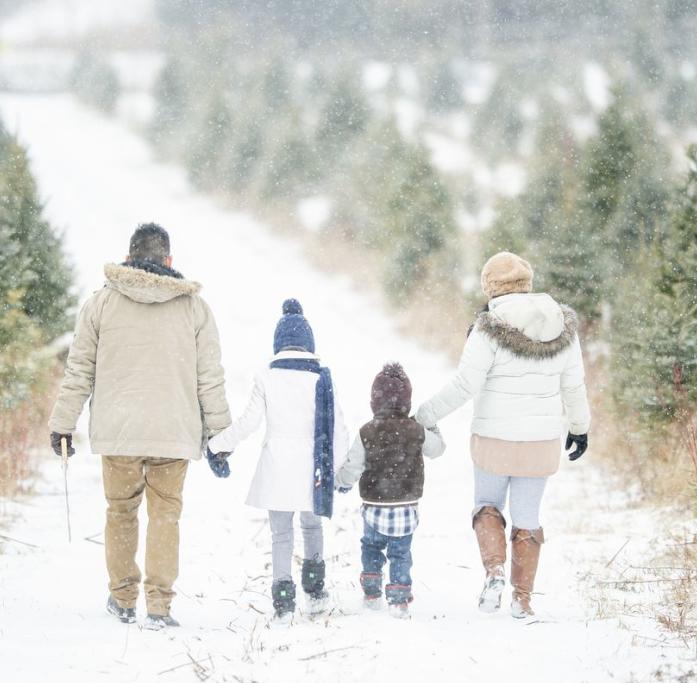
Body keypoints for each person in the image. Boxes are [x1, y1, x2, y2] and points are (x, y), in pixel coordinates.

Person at [48, 222, 230, 631]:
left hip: (120, 431)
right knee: (166, 516)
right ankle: (160, 606)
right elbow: (210, 378)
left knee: (120, 512)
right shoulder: (194, 309)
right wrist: (220, 433)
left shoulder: (101, 305)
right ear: (168, 260)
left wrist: (63, 424)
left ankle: (123, 598)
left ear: (129, 257)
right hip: (174, 432)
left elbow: (79, 370)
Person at [414, 251, 590, 619]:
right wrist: (580, 427)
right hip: (540, 443)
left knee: (487, 506)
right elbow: (574, 386)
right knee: (528, 517)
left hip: (494, 439)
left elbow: (465, 385)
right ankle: (522, 599)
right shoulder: (562, 326)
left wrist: (425, 415)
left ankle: (494, 573)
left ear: (491, 287)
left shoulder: (487, 327)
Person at [207, 299, 348, 625]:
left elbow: (248, 423)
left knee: (281, 534)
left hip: (277, 470)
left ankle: (283, 602)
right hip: (314, 470)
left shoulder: (267, 377)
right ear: (309, 344)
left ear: (278, 345)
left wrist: (218, 445)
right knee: (312, 527)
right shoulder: (322, 378)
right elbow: (337, 427)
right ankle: (314, 593)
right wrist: (342, 470)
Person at [335, 363, 445, 619]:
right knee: (400, 552)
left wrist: (342, 482)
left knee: (371, 546)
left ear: (375, 400)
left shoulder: (367, 431)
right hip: (406, 506)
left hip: (375, 504)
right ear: (407, 400)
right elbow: (437, 449)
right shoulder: (415, 429)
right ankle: (399, 598)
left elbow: (353, 464)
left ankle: (372, 590)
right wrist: (431, 425)